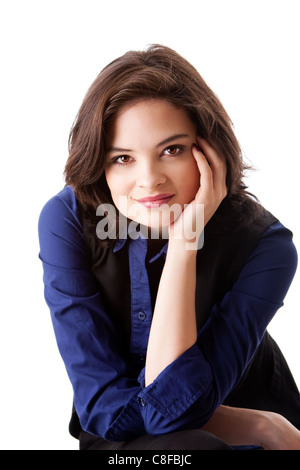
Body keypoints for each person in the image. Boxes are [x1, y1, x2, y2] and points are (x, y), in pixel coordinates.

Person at [38, 44, 300, 450]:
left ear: (210, 149)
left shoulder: (267, 247)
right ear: (99, 163)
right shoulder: (67, 220)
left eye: (172, 150)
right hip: (127, 438)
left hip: (254, 414)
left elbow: (174, 410)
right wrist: (262, 429)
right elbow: (104, 409)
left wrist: (184, 243)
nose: (149, 180)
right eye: (123, 158)